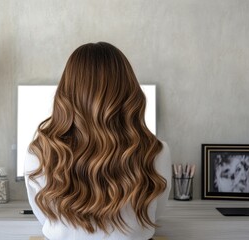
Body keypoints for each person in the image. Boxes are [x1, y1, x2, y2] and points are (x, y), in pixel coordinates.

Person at [25, 42, 171, 240]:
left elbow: (45, 218)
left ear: (67, 91)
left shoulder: (38, 153)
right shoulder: (157, 151)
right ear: (129, 90)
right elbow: (153, 214)